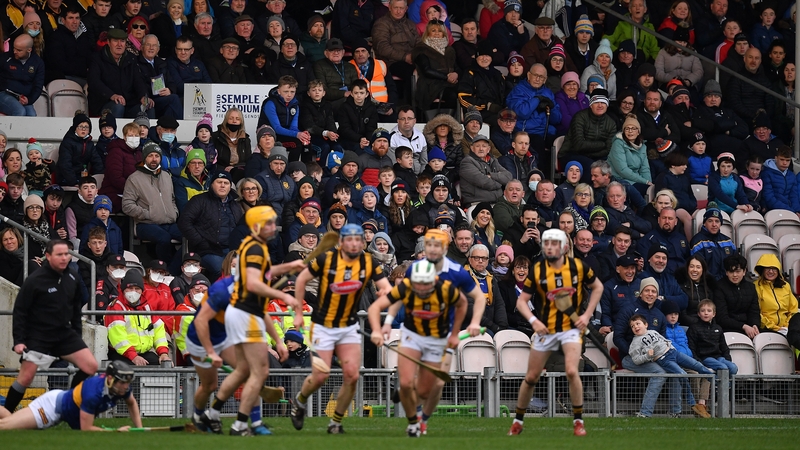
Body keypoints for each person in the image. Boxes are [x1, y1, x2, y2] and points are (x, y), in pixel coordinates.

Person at [289, 224, 392, 434]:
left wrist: (385, 294)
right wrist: (299, 313)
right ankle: (299, 402)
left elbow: (386, 287)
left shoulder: (369, 261)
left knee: (352, 375)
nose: (354, 243)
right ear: (341, 242)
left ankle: (335, 423)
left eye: (358, 240)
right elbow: (301, 279)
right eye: (349, 239)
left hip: (348, 325)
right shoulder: (326, 259)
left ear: (363, 243)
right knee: (321, 376)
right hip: (323, 325)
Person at [214, 206, 302, 435]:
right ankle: (240, 424)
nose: (274, 227)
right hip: (245, 313)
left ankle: (218, 414)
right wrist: (283, 295)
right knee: (259, 372)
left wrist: (288, 266)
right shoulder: (254, 247)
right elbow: (254, 283)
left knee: (246, 370)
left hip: (246, 312)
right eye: (269, 223)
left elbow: (264, 273)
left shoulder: (255, 246)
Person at [507, 229, 601, 436]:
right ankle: (518, 420)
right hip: (546, 330)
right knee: (531, 377)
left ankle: (578, 421)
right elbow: (521, 302)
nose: (549, 247)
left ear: (564, 247)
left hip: (570, 330)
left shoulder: (578, 267)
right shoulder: (538, 270)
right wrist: (533, 321)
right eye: (546, 243)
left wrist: (586, 315)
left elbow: (598, 287)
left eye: (554, 243)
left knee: (571, 371)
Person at [368, 260, 466, 437]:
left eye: (425, 283)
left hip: (435, 339)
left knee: (424, 390)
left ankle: (418, 411)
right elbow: (375, 307)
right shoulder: (406, 287)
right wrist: (378, 329)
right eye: (417, 283)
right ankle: (413, 422)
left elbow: (463, 304)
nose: (421, 287)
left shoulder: (446, 289)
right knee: (405, 383)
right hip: (411, 336)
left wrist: (454, 333)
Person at [3, 240, 99, 414]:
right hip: (39, 337)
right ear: (48, 256)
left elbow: (76, 310)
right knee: (25, 378)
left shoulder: (73, 277)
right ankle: (7, 417)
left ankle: (70, 406)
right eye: (59, 255)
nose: (64, 258)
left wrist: (77, 336)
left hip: (65, 335)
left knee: (90, 366)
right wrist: (19, 341)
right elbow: (20, 311)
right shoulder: (35, 280)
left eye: (67, 254)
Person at [0, 361, 141, 431]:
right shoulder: (94, 393)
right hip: (51, 409)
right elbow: (86, 429)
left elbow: (132, 403)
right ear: (110, 379)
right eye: (123, 382)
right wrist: (115, 431)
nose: (126, 386)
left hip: (58, 404)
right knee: (6, 426)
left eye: (127, 383)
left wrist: (139, 428)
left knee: (9, 421)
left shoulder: (120, 388)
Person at [614, 277, 681, 418]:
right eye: (647, 290)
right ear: (640, 292)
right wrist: (634, 353)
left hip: (655, 357)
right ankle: (645, 413)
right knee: (660, 373)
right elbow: (618, 337)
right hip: (631, 357)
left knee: (676, 370)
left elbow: (662, 340)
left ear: (657, 294)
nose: (650, 294)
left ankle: (675, 412)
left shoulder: (659, 314)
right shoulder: (628, 310)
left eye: (653, 291)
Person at [628, 313, 712, 418]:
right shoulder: (635, 343)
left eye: (637, 323)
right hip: (664, 359)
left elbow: (664, 339)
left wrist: (671, 347)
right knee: (682, 375)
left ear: (646, 325)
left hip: (673, 353)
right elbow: (636, 360)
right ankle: (693, 404)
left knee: (697, 365)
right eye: (632, 326)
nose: (635, 327)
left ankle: (716, 380)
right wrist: (647, 356)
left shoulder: (653, 332)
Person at [122, 142, 181, 266]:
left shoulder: (166, 176)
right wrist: (147, 214)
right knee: (163, 238)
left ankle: (173, 268)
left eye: (157, 156)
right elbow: (127, 205)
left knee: (190, 235)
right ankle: (163, 268)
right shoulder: (134, 178)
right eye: (150, 156)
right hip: (145, 224)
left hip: (169, 222)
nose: (154, 159)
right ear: (144, 158)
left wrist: (174, 213)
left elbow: (172, 199)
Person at [178, 171, 243, 280]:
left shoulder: (235, 205)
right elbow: (184, 222)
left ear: (230, 187)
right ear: (212, 184)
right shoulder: (199, 200)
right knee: (220, 269)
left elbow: (241, 227)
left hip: (231, 250)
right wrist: (200, 241)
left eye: (226, 183)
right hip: (207, 249)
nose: (222, 185)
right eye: (219, 182)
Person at [88, 28, 149, 117]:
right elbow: (94, 81)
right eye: (115, 41)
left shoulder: (131, 58)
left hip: (128, 103)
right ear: (108, 42)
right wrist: (112, 95)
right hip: (104, 103)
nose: (119, 44)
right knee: (118, 106)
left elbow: (138, 80)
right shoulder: (97, 58)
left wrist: (143, 96)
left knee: (148, 106)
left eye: (123, 41)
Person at [412, 20, 459, 111]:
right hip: (430, 84)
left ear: (444, 33)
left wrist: (456, 74)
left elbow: (456, 67)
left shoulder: (450, 50)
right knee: (452, 95)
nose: (437, 33)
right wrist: (446, 77)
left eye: (440, 31)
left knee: (463, 92)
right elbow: (426, 70)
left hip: (448, 83)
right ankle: (444, 120)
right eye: (433, 30)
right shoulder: (421, 49)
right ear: (428, 33)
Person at [713, 254, 761, 338]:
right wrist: (743, 326)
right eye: (731, 272)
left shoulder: (751, 287)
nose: (735, 275)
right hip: (727, 329)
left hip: (748, 328)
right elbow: (721, 317)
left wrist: (754, 325)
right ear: (726, 272)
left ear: (744, 271)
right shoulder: (719, 287)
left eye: (738, 271)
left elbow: (754, 311)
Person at [687, 299, 738, 375]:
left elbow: (724, 347)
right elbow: (692, 347)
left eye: (709, 311)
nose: (706, 313)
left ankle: (726, 386)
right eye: (703, 311)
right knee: (723, 368)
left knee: (733, 367)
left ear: (714, 314)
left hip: (719, 357)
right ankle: (720, 386)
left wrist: (727, 359)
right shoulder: (693, 328)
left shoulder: (718, 328)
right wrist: (698, 361)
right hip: (705, 358)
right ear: (698, 313)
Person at [459, 134, 513, 205]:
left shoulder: (493, 160)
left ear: (488, 149)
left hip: (498, 202)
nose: (481, 149)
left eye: (484, 146)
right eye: (477, 146)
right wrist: (500, 183)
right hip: (477, 203)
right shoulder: (467, 162)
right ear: (472, 148)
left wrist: (491, 175)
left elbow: (508, 177)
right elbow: (483, 182)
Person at [0, 34, 44, 117]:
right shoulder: (5, 58)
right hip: (3, 93)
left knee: (31, 115)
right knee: (19, 111)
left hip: (23, 97)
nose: (14, 52)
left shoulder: (38, 63)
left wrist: (29, 100)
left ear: (29, 50)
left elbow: (38, 86)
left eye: (19, 50)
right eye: (14, 48)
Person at [753, 254, 797, 334]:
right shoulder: (755, 287)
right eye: (767, 268)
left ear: (778, 271)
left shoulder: (785, 285)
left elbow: (793, 309)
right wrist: (775, 328)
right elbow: (756, 313)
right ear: (762, 270)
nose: (771, 271)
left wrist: (786, 325)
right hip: (766, 329)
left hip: (787, 328)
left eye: (774, 269)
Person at [689, 207, 735, 281]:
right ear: (704, 223)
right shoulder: (697, 242)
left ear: (720, 224)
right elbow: (699, 268)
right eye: (710, 221)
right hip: (707, 284)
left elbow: (735, 264)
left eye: (717, 221)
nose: (714, 224)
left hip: (727, 284)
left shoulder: (728, 241)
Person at [599, 255, 639, 335]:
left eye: (632, 268)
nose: (630, 271)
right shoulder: (608, 286)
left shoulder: (641, 284)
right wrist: (610, 329)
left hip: (641, 329)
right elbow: (606, 312)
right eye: (626, 268)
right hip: (620, 331)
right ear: (618, 269)